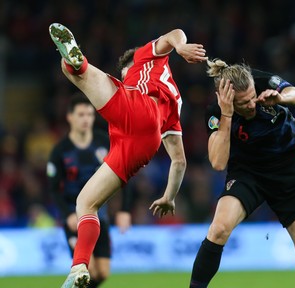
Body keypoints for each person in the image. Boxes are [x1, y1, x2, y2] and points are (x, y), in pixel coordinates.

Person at [49, 23, 207, 288]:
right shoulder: (175, 103)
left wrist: (179, 47)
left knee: (75, 71)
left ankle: (78, 61)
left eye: (125, 73)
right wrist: (169, 196)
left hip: (137, 109)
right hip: (143, 143)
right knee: (86, 203)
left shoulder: (145, 56)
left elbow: (174, 34)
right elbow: (179, 161)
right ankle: (78, 268)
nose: (125, 77)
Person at [189, 59, 295, 288]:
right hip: (248, 172)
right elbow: (217, 163)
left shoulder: (261, 80)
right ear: (229, 100)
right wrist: (226, 115)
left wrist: (282, 98)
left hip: (288, 170)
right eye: (243, 103)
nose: (252, 104)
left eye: (253, 96)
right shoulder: (216, 112)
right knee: (219, 230)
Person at [47, 94, 112, 288]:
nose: (86, 119)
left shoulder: (104, 142)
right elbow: (54, 188)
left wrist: (124, 209)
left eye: (90, 114)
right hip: (74, 217)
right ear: (70, 117)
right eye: (81, 114)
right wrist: (67, 215)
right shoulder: (60, 150)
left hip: (101, 215)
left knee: (102, 272)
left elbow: (121, 171)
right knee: (87, 270)